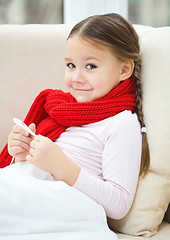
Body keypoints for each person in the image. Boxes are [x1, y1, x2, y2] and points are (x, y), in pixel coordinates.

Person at [0, 13, 150, 220]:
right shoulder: (61, 110)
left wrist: (60, 165)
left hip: (55, 204)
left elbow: (119, 205)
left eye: (91, 66)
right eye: (71, 65)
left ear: (124, 69)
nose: (76, 78)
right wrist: (21, 155)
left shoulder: (121, 122)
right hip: (27, 191)